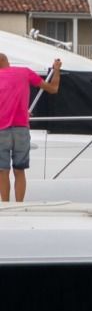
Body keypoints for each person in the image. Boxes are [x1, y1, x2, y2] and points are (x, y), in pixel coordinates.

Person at [0, 51, 61, 202]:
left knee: (2, 171)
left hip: (1, 130)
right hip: (21, 128)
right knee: (19, 170)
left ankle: (5, 205)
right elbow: (53, 89)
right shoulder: (24, 72)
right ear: (7, 61)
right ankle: (19, 205)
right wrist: (57, 69)